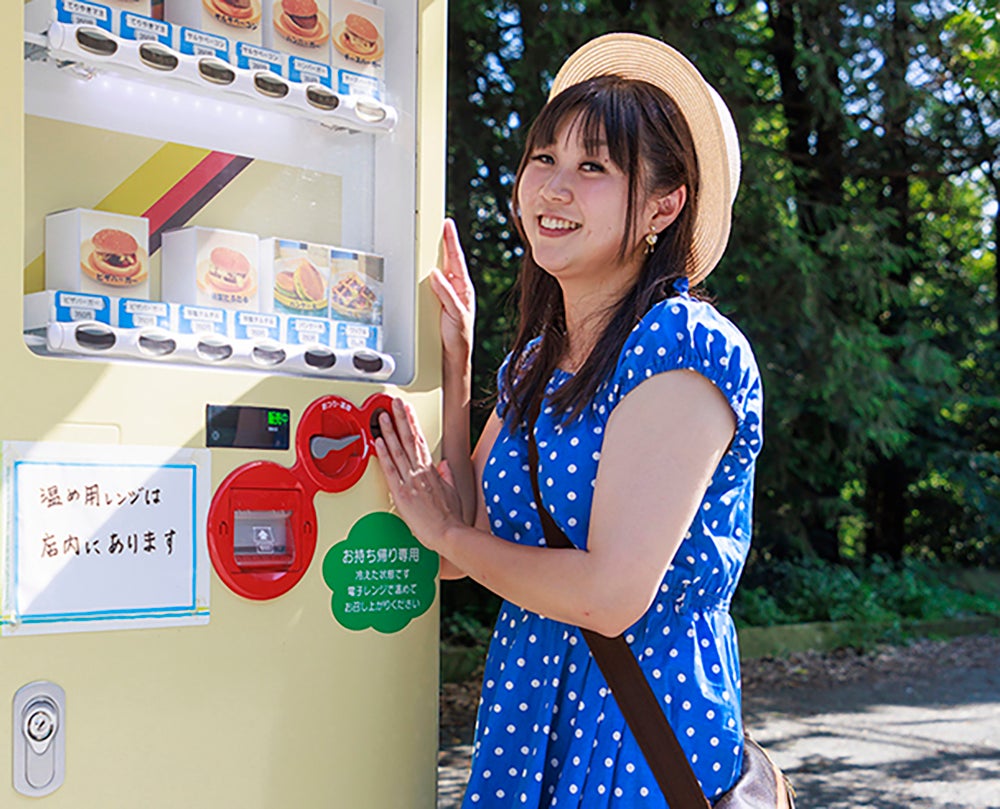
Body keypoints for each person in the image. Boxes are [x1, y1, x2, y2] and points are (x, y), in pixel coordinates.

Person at [375, 32, 762, 807]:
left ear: (664, 203)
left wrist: (452, 536)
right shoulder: (533, 364)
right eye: (544, 158)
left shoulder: (682, 344)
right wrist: (455, 365)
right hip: (528, 712)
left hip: (636, 726)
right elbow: (456, 548)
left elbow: (611, 593)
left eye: (594, 168)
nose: (553, 188)